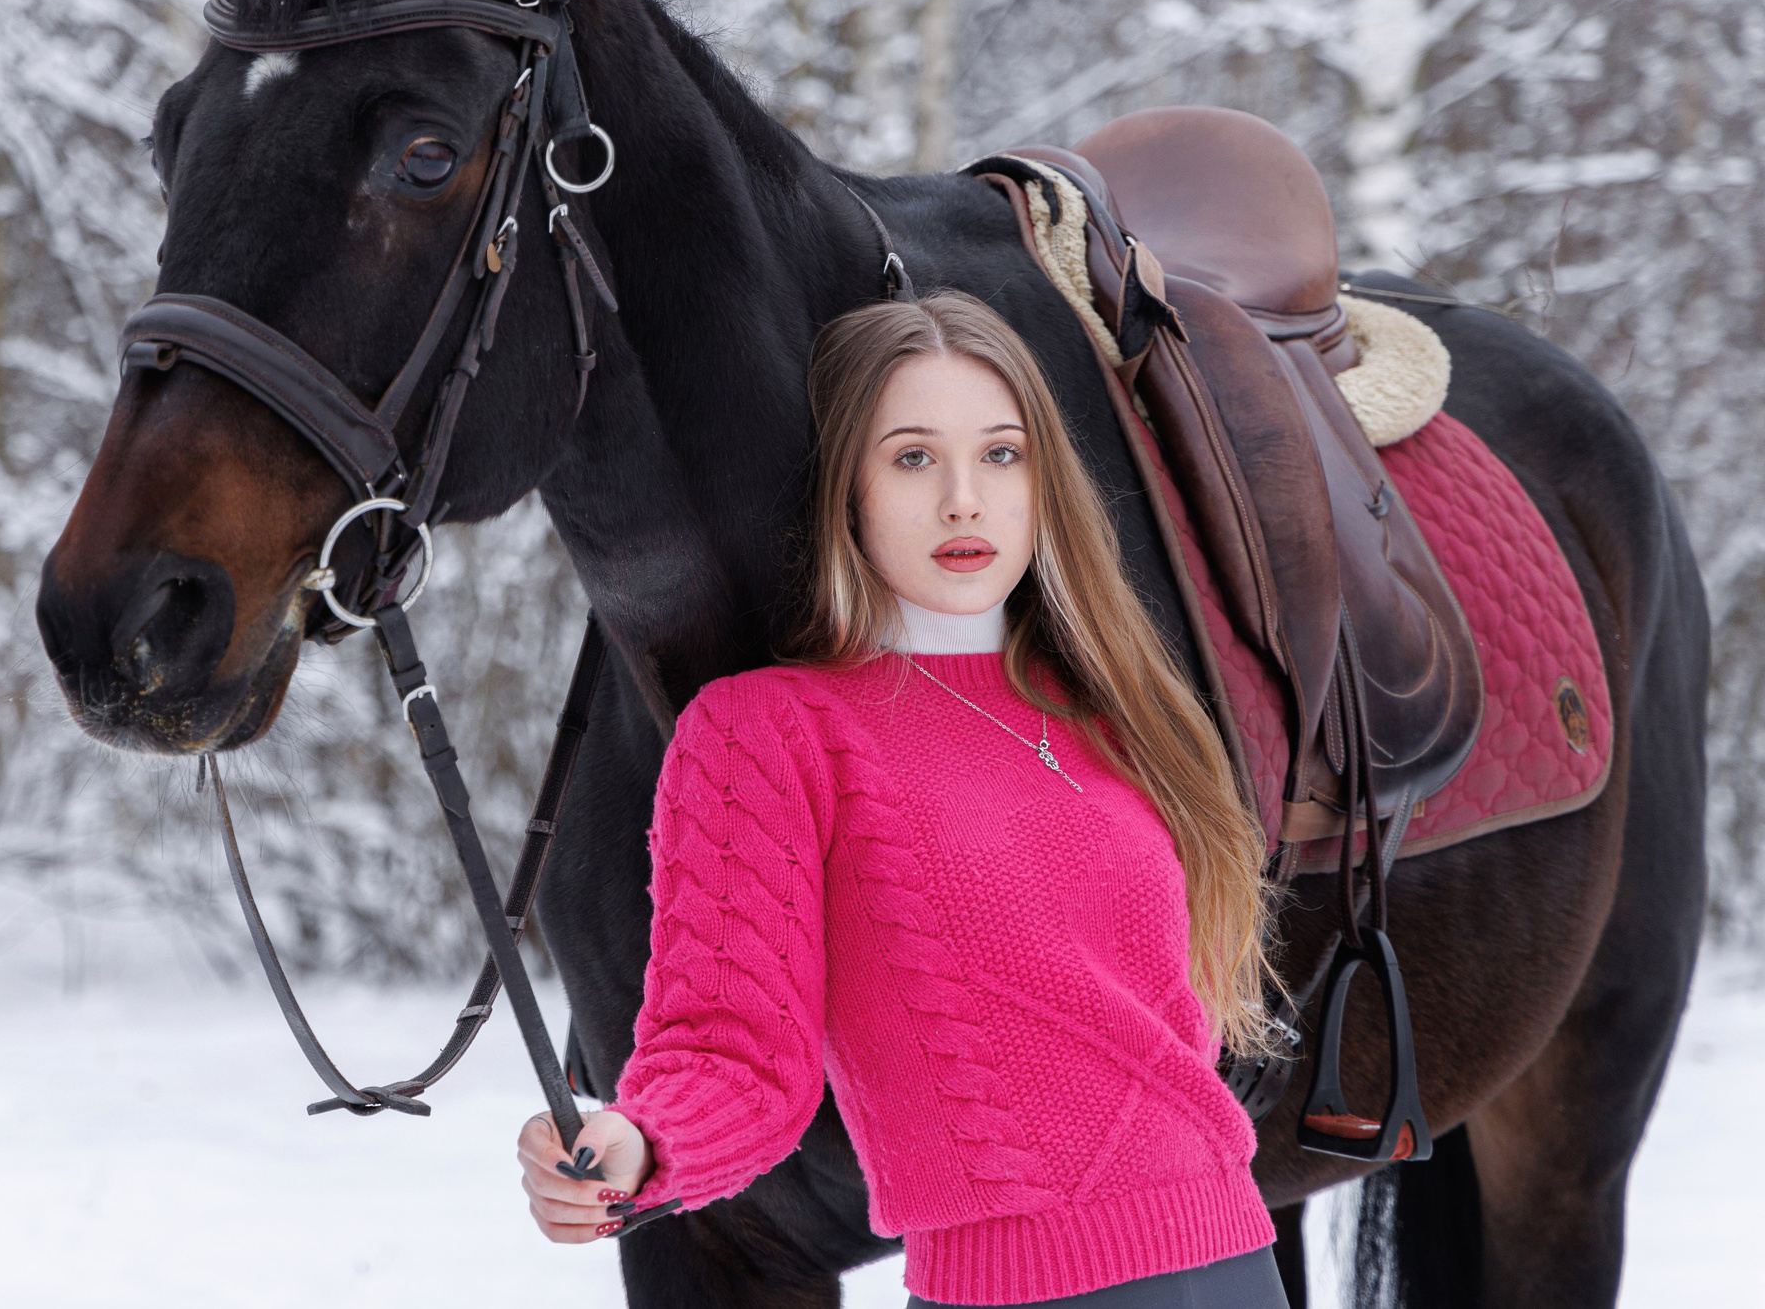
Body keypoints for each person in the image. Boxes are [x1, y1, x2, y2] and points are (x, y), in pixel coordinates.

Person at [516, 291, 1288, 1308]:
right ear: (849, 489)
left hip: (1230, 1259)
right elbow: (730, 1049)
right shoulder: (769, 733)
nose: (964, 499)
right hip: (1018, 1289)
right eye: (914, 458)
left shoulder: (1115, 709)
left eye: (1001, 455)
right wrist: (643, 1137)